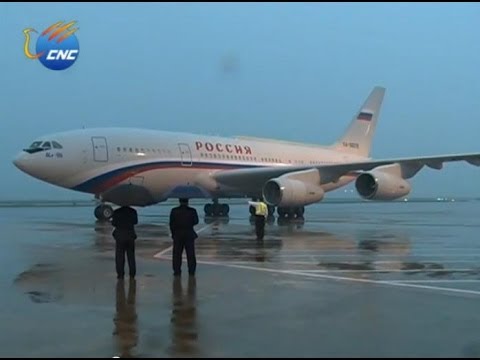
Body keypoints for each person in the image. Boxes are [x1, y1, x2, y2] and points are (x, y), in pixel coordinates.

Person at [169, 198, 199, 276]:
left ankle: (177, 270)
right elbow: (196, 221)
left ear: (179, 201)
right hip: (189, 233)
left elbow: (171, 223)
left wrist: (173, 233)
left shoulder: (174, 211)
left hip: (178, 234)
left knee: (177, 254)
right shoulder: (192, 211)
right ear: (187, 201)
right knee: (190, 254)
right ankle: (191, 270)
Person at [111, 205, 138, 279]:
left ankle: (120, 274)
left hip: (120, 236)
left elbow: (113, 223)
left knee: (119, 256)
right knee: (131, 256)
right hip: (130, 236)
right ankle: (132, 273)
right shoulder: (133, 211)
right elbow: (135, 222)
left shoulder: (117, 212)